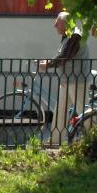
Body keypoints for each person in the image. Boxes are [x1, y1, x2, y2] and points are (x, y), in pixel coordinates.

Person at [39, 11, 90, 143]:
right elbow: (63, 55)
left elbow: (65, 56)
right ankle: (56, 140)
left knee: (83, 110)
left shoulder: (75, 36)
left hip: (77, 81)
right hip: (68, 80)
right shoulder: (68, 36)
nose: (55, 26)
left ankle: (96, 136)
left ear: (66, 24)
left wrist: (48, 64)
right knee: (60, 111)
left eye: (57, 23)